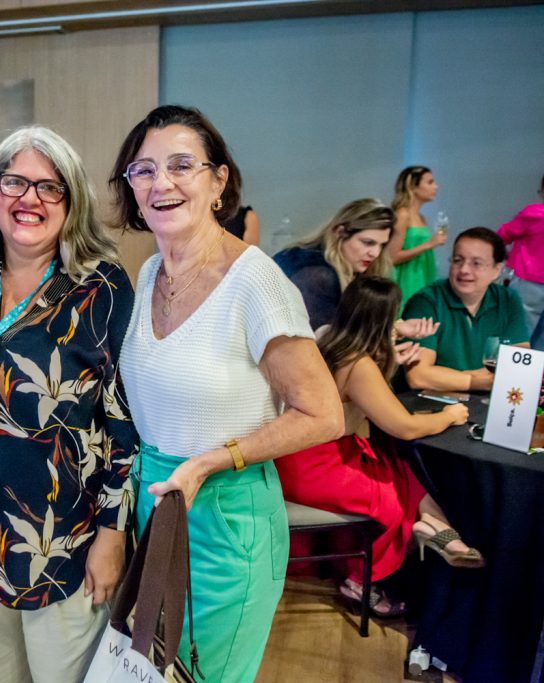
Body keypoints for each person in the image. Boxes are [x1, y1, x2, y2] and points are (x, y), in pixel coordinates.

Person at [110, 105, 343, 682]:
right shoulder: (148, 275)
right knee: (154, 670)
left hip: (226, 513)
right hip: (158, 507)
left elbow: (323, 414)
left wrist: (211, 461)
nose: (161, 183)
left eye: (181, 165)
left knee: (206, 673)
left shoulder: (255, 281)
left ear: (219, 183)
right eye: (143, 169)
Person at [0, 125, 137, 683]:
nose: (30, 199)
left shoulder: (102, 289)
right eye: (15, 182)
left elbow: (125, 423)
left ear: (72, 203)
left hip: (61, 535)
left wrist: (113, 535)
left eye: (50, 188)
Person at [276, 276, 484, 618]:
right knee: (388, 495)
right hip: (314, 465)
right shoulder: (359, 364)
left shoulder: (328, 337)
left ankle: (437, 526)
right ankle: (361, 580)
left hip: (300, 453)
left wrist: (389, 357)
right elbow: (404, 426)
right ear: (384, 321)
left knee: (398, 468)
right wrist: (449, 415)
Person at [404, 227, 530, 392]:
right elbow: (418, 376)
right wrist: (478, 381)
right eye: (457, 260)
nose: (464, 270)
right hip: (432, 403)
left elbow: (519, 366)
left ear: (497, 270)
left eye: (476, 263)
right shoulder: (426, 302)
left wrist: (447, 377)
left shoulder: (508, 300)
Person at [273, 198, 395, 329]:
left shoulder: (343, 267)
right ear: (340, 233)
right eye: (368, 242)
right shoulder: (318, 274)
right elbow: (323, 343)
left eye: (382, 245)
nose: (375, 253)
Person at [390, 165, 448, 306]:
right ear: (413, 186)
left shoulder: (422, 218)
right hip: (406, 279)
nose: (436, 186)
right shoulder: (402, 215)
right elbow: (392, 257)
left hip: (422, 274)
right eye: (430, 182)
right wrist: (429, 244)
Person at [498, 174, 544, 350]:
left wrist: (506, 256)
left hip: (528, 281)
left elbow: (500, 236)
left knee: (518, 335)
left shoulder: (534, 213)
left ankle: (510, 376)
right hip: (530, 283)